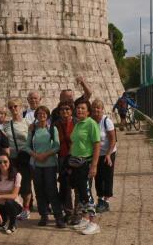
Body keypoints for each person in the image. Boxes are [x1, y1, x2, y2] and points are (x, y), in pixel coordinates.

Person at [23, 106, 66, 228]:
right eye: (39, 113)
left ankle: (58, 216)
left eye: (44, 113)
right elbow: (26, 146)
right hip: (36, 164)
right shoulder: (32, 129)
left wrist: (45, 155)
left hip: (50, 164)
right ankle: (44, 215)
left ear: (47, 115)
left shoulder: (52, 129)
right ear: (36, 116)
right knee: (39, 190)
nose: (42, 115)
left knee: (51, 190)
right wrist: (36, 155)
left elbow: (57, 146)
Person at [69, 98, 101, 235]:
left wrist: (94, 165)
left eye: (83, 108)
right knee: (81, 193)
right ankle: (85, 219)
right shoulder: (77, 124)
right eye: (78, 108)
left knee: (87, 194)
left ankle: (93, 223)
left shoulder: (91, 124)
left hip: (86, 163)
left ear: (88, 111)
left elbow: (97, 145)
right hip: (76, 163)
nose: (79, 110)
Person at [3, 98, 32, 220]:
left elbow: (31, 139)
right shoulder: (7, 125)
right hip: (12, 158)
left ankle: (26, 208)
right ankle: (15, 207)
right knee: (13, 183)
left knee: (25, 183)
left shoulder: (27, 123)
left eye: (15, 106)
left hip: (25, 157)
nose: (13, 109)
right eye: (11, 107)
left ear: (20, 107)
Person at [92, 99, 117, 213]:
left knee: (107, 176)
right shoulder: (91, 121)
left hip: (108, 152)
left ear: (102, 109)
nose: (96, 110)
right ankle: (100, 198)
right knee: (98, 176)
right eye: (94, 108)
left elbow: (113, 140)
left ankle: (106, 201)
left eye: (99, 108)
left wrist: (108, 155)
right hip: (97, 154)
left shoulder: (107, 121)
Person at [0, 153, 22, 235]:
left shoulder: (17, 175)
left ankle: (12, 224)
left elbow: (14, 195)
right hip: (0, 204)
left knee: (9, 202)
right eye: (0, 162)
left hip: (14, 204)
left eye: (5, 161)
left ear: (10, 162)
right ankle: (3, 222)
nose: (2, 164)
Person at [54, 99, 76, 223]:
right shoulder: (56, 124)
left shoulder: (77, 123)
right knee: (65, 186)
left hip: (76, 157)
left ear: (71, 110)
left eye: (67, 109)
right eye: (62, 109)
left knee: (78, 186)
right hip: (62, 158)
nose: (65, 111)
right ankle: (68, 211)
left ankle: (78, 212)